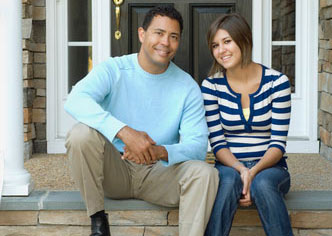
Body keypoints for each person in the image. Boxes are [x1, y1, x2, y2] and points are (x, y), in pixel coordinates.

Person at [64, 5, 219, 236]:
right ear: (141, 34)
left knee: (206, 173)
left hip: (158, 173)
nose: (165, 42)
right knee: (80, 134)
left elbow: (196, 148)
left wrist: (157, 152)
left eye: (173, 36)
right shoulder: (114, 69)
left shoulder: (187, 87)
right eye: (158, 33)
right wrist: (124, 132)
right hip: (113, 170)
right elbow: (75, 99)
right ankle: (97, 221)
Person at [201, 13, 293, 236]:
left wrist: (253, 173)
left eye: (227, 41)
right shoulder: (211, 86)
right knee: (228, 181)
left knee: (262, 184)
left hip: (271, 168)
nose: (221, 50)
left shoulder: (277, 83)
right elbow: (218, 144)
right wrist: (242, 170)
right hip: (229, 166)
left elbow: (277, 144)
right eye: (215, 45)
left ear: (244, 40)